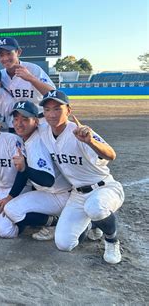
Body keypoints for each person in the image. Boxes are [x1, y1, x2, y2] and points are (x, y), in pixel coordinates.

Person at [38, 90, 124, 264]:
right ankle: (93, 223)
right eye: (47, 109)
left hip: (104, 187)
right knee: (64, 244)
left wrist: (90, 141)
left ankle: (112, 240)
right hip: (77, 194)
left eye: (57, 108)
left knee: (96, 207)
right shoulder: (44, 132)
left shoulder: (81, 132)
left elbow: (111, 155)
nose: (52, 114)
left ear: (68, 110)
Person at [0, 101, 71, 240]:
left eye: (25, 119)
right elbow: (22, 172)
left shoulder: (36, 145)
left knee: (13, 211)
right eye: (16, 119)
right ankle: (58, 221)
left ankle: (57, 223)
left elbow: (48, 180)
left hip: (59, 195)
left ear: (35, 121)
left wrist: (25, 168)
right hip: (51, 193)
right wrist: (10, 196)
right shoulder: (32, 136)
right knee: (11, 207)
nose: (19, 123)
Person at [0, 37, 55, 110]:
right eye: (1, 55)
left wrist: (31, 79)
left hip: (39, 118)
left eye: (9, 53)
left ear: (18, 52)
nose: (5, 58)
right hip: (14, 119)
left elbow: (53, 94)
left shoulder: (34, 69)